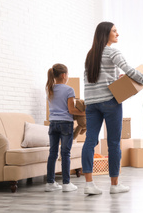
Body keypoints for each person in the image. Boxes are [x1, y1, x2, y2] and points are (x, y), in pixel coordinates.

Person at [82, 21, 143, 195]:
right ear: (106, 34)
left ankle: (89, 184)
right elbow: (130, 69)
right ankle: (114, 185)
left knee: (90, 141)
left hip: (91, 103)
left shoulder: (91, 54)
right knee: (114, 143)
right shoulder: (112, 51)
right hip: (110, 101)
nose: (118, 34)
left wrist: (117, 77)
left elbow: (93, 78)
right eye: (114, 31)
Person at [45, 63, 85, 192]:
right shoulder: (69, 90)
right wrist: (85, 113)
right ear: (63, 75)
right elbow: (71, 110)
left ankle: (50, 183)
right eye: (67, 74)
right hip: (65, 124)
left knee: (52, 153)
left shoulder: (49, 89)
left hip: (53, 124)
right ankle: (66, 184)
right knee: (65, 153)